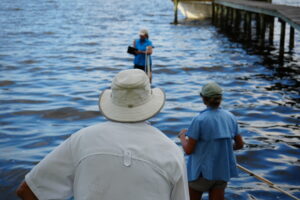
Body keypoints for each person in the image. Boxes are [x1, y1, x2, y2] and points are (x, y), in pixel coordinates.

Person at [16, 69, 189, 200]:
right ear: (150, 103)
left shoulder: (82, 140)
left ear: (113, 100)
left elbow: (28, 190)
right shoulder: (171, 151)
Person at [178, 82, 244, 200]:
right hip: (221, 172)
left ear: (203, 98)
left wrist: (182, 137)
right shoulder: (230, 117)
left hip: (201, 174)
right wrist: (226, 148)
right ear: (220, 98)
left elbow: (188, 150)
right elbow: (240, 145)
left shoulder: (199, 120)